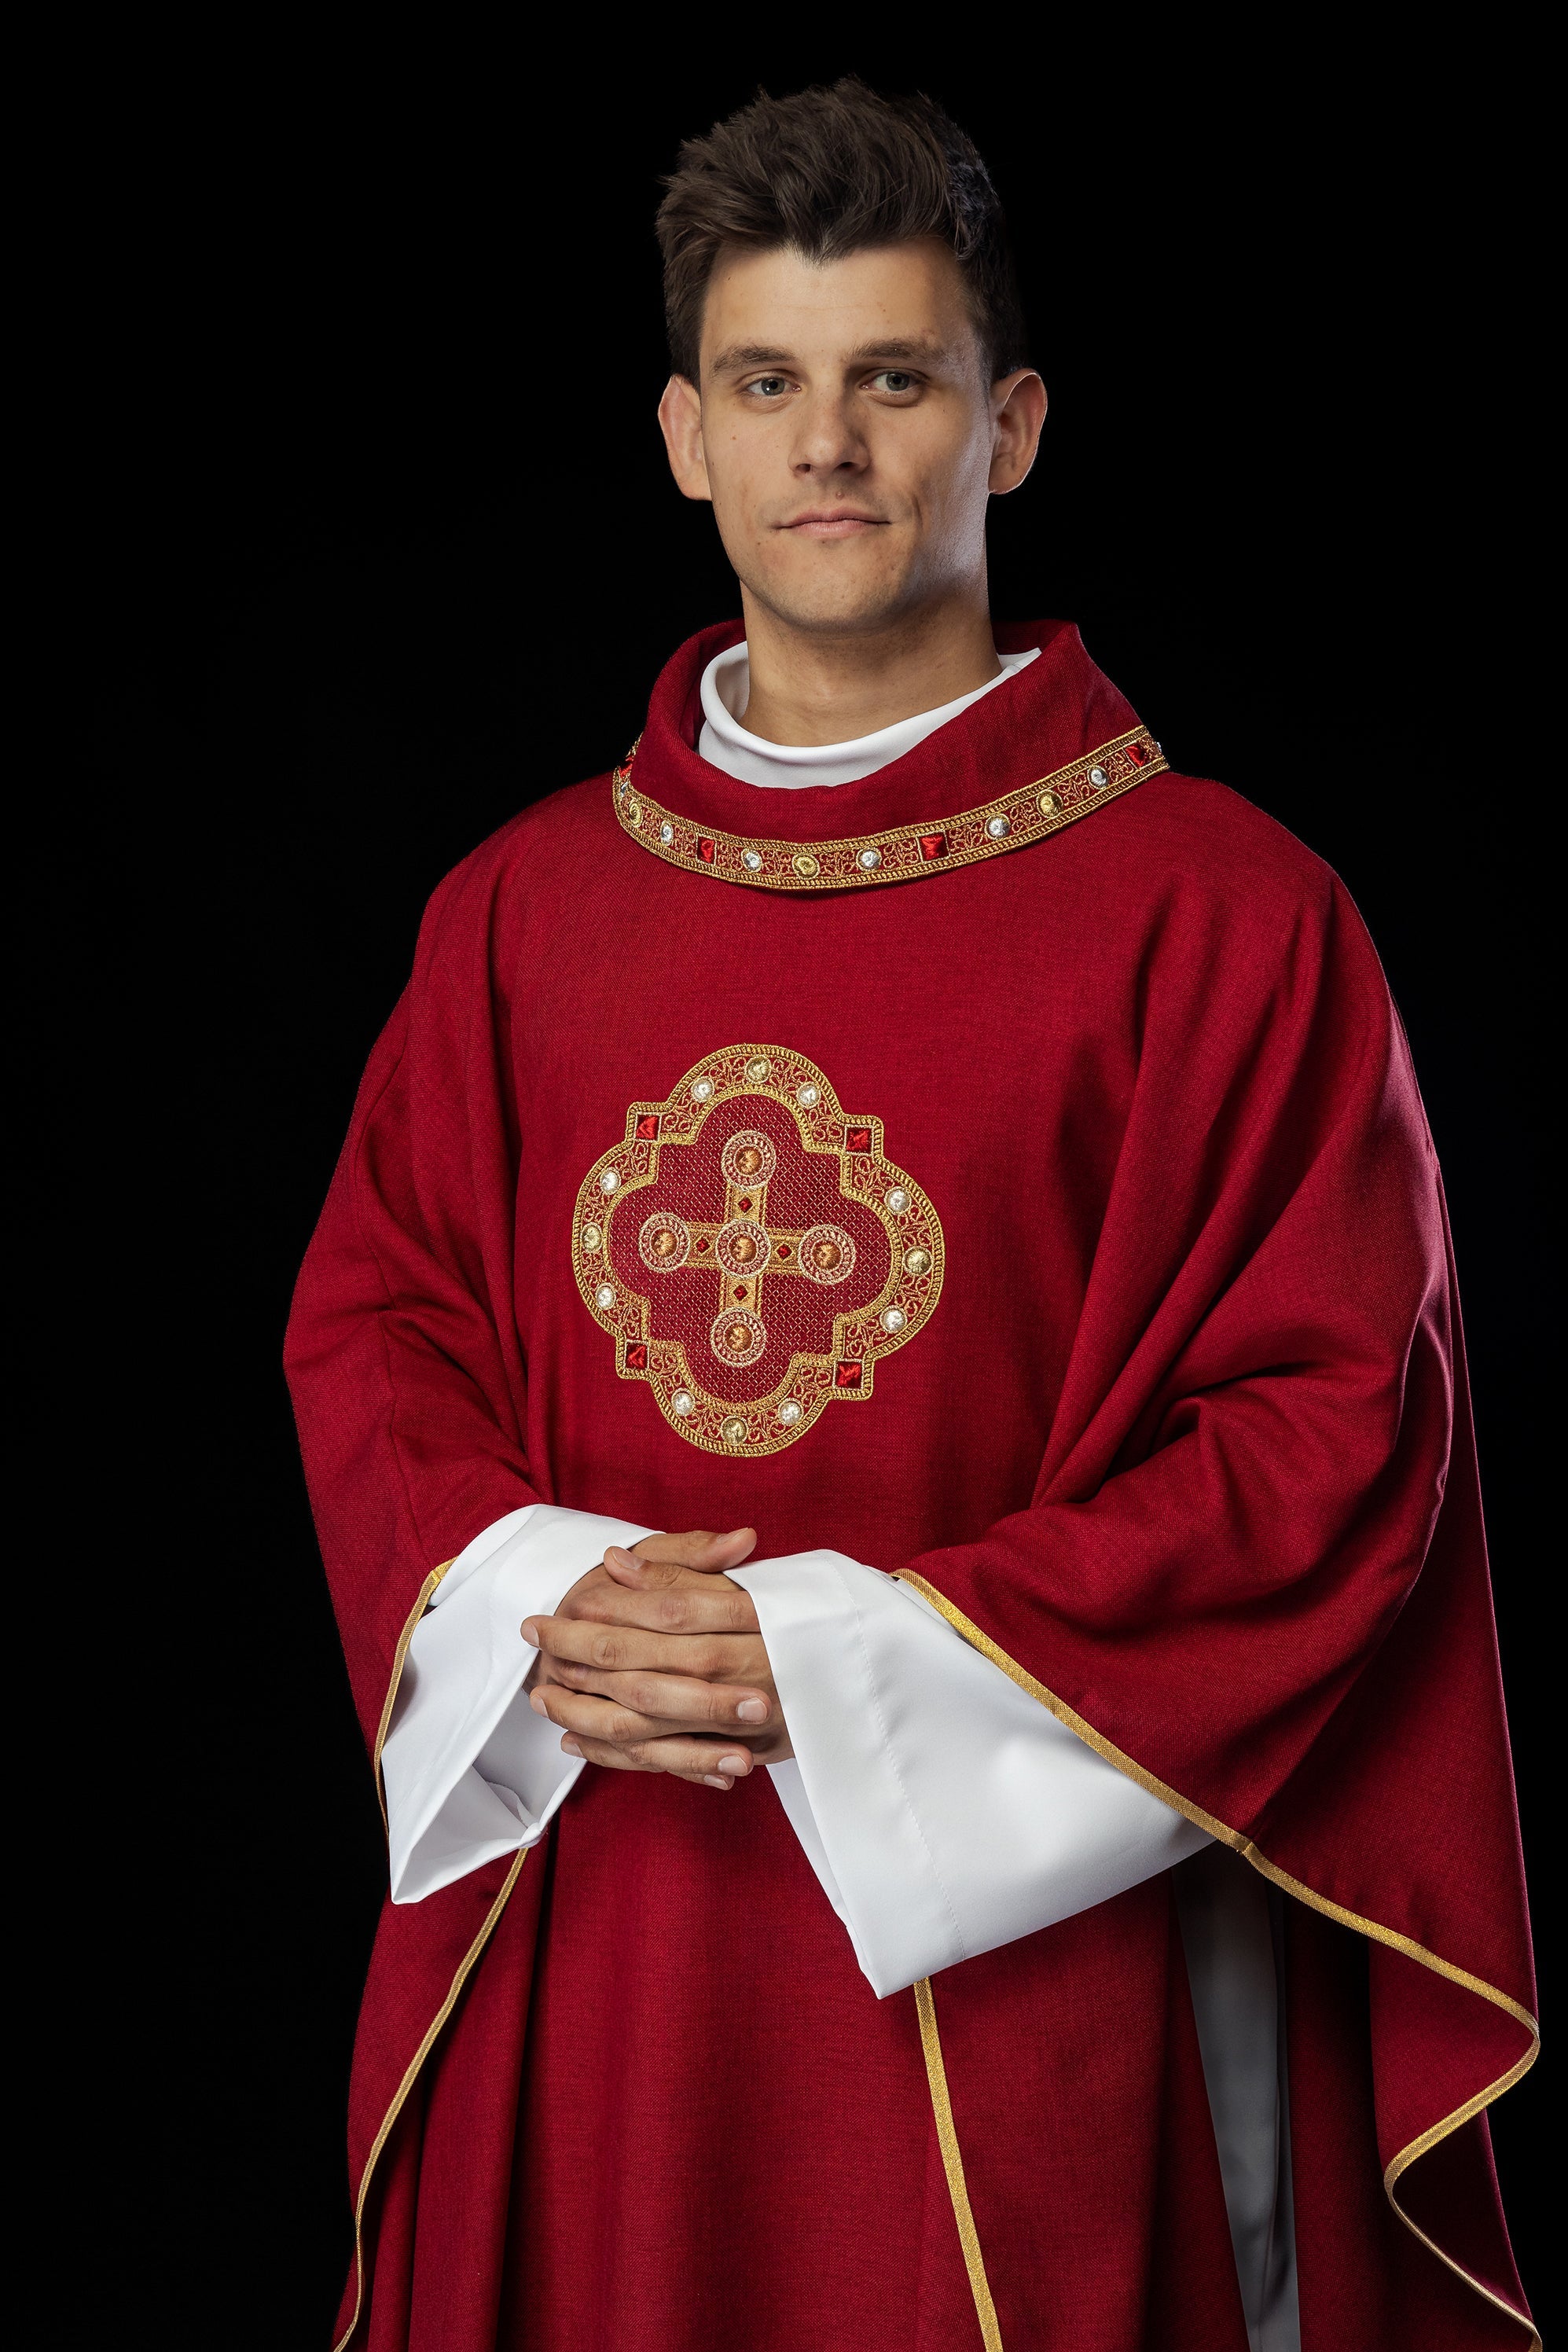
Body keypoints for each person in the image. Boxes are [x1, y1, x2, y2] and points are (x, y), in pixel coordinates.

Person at [285, 77, 1536, 2352]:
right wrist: (552, 1597)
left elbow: (1331, 1431)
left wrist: (848, 1664)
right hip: (603, 1910)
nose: (829, 445)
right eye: (767, 384)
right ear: (686, 436)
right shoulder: (519, 915)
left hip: (1021, 1969)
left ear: (1014, 424)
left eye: (895, 380)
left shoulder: (1224, 919)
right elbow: (381, 1330)